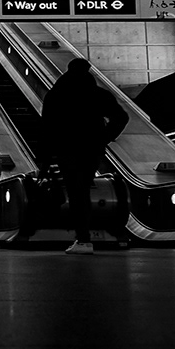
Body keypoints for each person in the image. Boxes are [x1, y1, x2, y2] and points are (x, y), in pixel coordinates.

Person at [41, 55, 129, 254]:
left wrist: (45, 158)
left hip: (68, 148)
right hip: (92, 149)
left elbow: (47, 128)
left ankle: (83, 238)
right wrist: (104, 137)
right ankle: (84, 238)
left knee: (76, 191)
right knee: (83, 190)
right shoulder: (98, 94)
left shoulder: (57, 94)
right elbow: (122, 117)